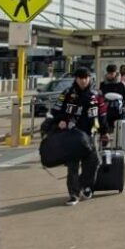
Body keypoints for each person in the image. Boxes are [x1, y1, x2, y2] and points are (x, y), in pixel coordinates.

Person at [53, 68, 104, 206]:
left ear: (89, 78)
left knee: (93, 162)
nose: (83, 80)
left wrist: (104, 131)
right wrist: (61, 120)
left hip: (90, 134)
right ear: (76, 79)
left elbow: (102, 113)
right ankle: (73, 194)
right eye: (80, 78)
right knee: (73, 166)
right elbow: (56, 110)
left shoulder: (96, 94)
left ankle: (85, 186)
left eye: (85, 77)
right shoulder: (67, 93)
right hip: (72, 135)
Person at [99, 64, 125, 144]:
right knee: (105, 128)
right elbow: (100, 96)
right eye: (109, 73)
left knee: (118, 129)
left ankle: (119, 144)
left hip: (118, 110)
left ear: (115, 73)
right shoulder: (103, 84)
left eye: (112, 73)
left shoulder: (121, 84)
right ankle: (104, 144)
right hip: (106, 110)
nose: (110, 75)